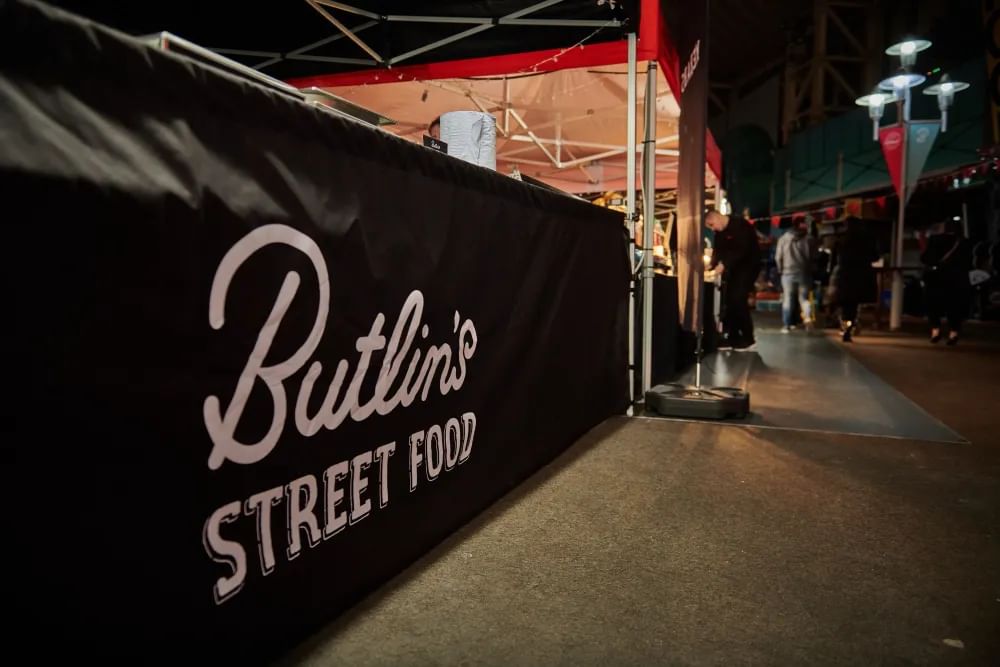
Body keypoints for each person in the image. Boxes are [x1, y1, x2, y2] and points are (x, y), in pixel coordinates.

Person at [706, 210, 762, 350]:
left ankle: (748, 338)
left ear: (717, 217)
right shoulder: (719, 233)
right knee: (729, 301)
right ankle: (733, 338)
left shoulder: (741, 226)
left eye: (712, 225)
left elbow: (741, 250)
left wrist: (724, 264)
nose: (713, 229)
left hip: (748, 267)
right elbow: (718, 250)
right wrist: (711, 265)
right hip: (733, 270)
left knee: (738, 299)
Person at [920, 220, 973, 345]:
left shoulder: (935, 240)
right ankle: (953, 333)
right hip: (956, 279)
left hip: (936, 278)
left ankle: (935, 331)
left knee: (933, 305)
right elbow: (969, 262)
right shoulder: (964, 242)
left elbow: (925, 258)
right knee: (954, 306)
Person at [830, 217, 879, 343]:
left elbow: (834, 260)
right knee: (855, 305)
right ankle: (850, 328)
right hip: (861, 276)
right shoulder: (867, 239)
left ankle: (846, 327)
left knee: (845, 305)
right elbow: (875, 256)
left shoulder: (841, 239)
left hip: (845, 275)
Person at [775, 219, 815, 332]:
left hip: (787, 273)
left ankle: (786, 325)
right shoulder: (809, 239)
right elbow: (814, 256)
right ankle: (807, 319)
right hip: (804, 272)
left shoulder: (783, 238)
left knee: (788, 299)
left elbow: (778, 257)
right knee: (803, 298)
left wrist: (780, 269)